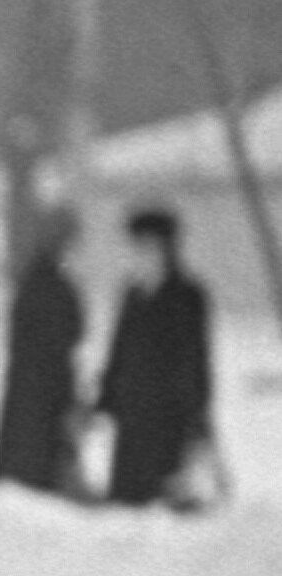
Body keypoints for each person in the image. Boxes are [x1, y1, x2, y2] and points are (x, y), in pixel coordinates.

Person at [94, 203, 217, 510]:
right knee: (124, 504)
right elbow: (118, 350)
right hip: (131, 413)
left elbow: (197, 359)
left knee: (165, 503)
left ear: (168, 248)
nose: (142, 254)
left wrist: (197, 411)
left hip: (169, 416)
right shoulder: (131, 292)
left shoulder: (188, 295)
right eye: (138, 246)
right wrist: (105, 399)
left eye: (150, 246)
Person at [0, 206, 86, 497]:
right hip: (44, 383)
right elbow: (68, 333)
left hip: (35, 383)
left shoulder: (36, 280)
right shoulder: (50, 284)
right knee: (37, 462)